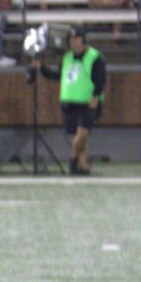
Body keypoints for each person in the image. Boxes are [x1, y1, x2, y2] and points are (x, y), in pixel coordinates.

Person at [56, 25, 106, 176]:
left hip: (87, 101)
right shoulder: (67, 57)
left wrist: (96, 96)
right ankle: (83, 165)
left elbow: (100, 78)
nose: (73, 42)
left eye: (76, 38)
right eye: (71, 39)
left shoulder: (94, 56)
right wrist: (41, 69)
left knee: (82, 134)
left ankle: (72, 160)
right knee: (78, 136)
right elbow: (59, 76)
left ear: (83, 40)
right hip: (70, 101)